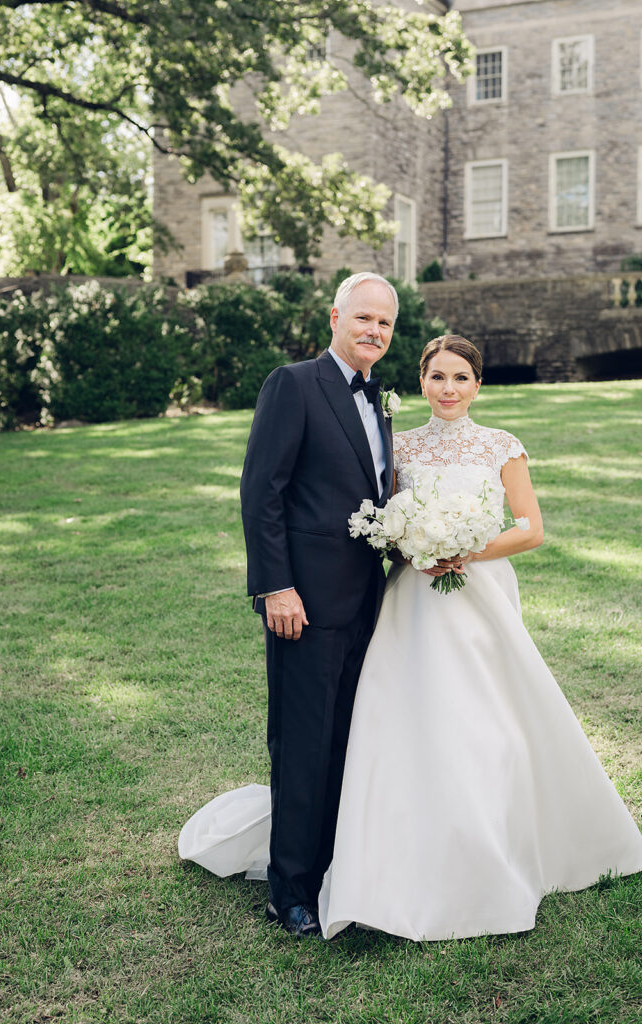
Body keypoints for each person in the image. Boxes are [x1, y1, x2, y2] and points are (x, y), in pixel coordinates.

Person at [179, 333, 642, 942]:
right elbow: (375, 516)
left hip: (477, 598)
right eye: (437, 378)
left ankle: (492, 844)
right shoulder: (395, 444)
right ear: (422, 382)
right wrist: (413, 544)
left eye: (461, 378)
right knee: (397, 717)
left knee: (488, 724)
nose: (449, 389)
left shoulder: (500, 445)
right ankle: (373, 850)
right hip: (407, 597)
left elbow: (530, 528)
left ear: (478, 384)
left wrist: (463, 548)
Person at [238, 271, 397, 937]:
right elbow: (262, 491)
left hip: (368, 603)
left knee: (347, 742)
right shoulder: (293, 384)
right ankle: (290, 890)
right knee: (303, 744)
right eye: (363, 318)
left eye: (385, 324)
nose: (373, 332)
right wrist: (277, 585)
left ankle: (335, 867)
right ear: (335, 316)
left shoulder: (383, 404)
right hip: (301, 603)